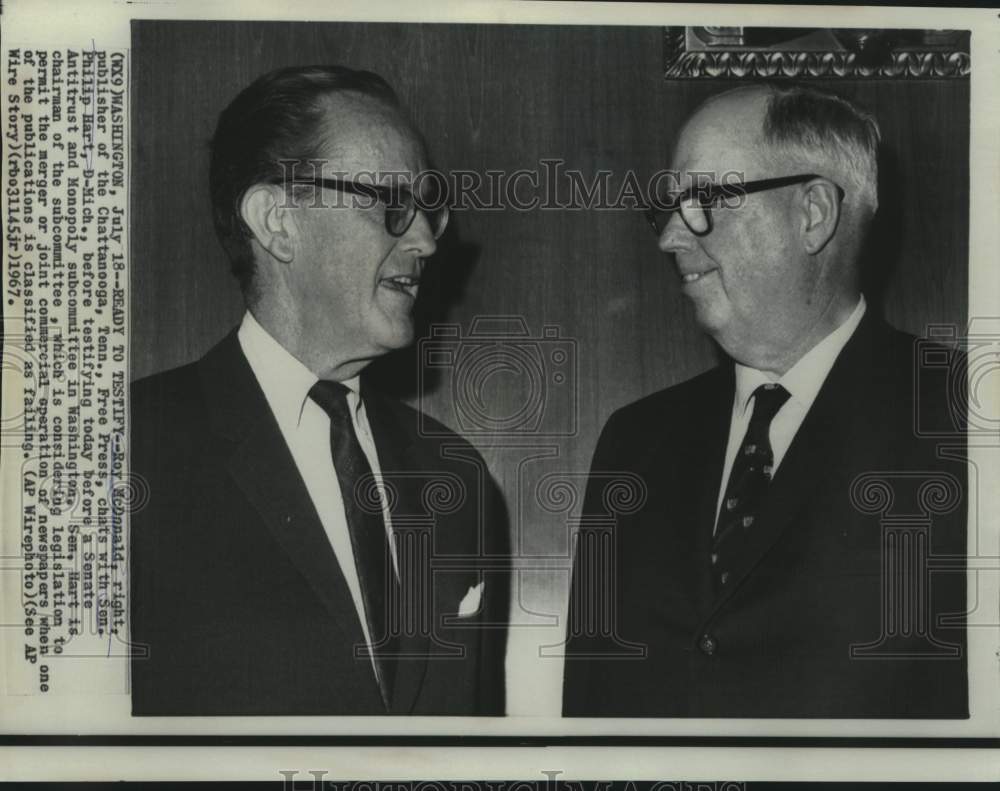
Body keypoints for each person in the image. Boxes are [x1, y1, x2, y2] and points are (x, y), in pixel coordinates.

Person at [562, 83, 967, 718]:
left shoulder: (964, 419)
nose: (670, 236)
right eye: (669, 207)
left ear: (813, 214)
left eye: (704, 201)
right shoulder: (634, 442)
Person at [130, 65, 509, 716]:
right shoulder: (125, 450)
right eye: (391, 204)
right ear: (278, 222)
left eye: (427, 209)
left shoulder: (459, 477)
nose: (423, 241)